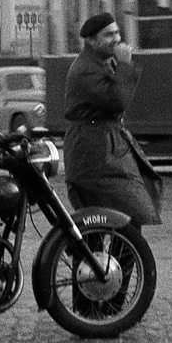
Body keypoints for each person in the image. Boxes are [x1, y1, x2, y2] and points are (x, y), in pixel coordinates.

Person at [62, 12, 162, 226]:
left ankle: (119, 249)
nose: (116, 39)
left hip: (105, 147)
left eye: (117, 33)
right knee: (121, 213)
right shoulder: (85, 69)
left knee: (125, 214)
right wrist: (124, 65)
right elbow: (117, 102)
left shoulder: (102, 63)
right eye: (108, 35)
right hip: (94, 151)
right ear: (91, 40)